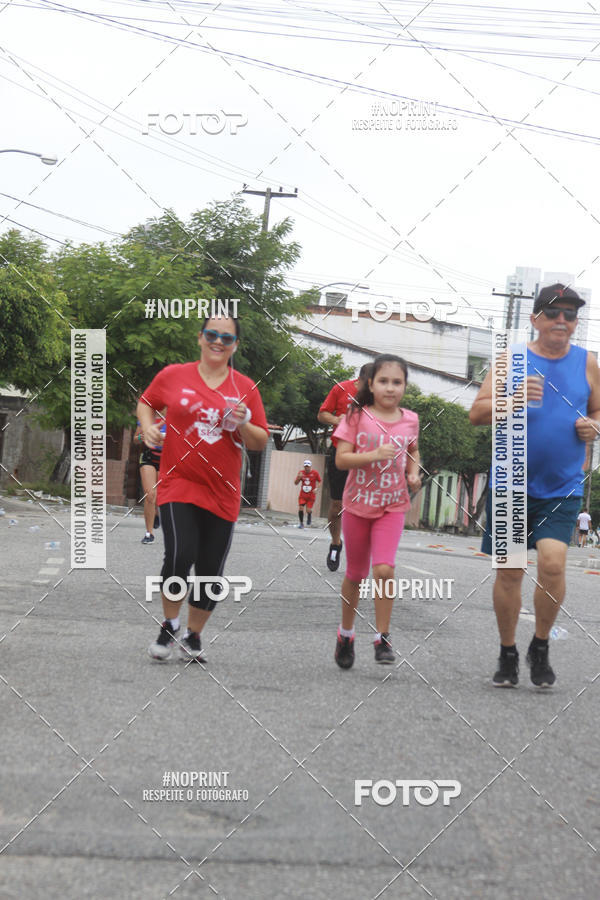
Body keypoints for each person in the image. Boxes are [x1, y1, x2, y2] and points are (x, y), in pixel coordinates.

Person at [470, 284, 600, 688]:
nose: (562, 320)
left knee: (553, 563)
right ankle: (508, 651)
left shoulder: (588, 362)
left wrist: (594, 425)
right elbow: (476, 413)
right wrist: (512, 398)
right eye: (553, 312)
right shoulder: (510, 359)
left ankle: (540, 645)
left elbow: (598, 410)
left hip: (562, 485)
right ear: (535, 319)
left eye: (570, 314)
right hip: (510, 482)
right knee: (510, 572)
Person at [137, 315, 269, 662]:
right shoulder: (173, 375)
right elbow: (147, 402)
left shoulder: (245, 388)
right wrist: (148, 427)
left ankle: (193, 635)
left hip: (222, 491)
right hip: (178, 481)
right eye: (212, 335)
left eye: (226, 338)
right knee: (180, 555)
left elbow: (259, 441)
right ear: (200, 338)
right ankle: (170, 623)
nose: (218, 342)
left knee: (210, 570)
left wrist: (244, 422)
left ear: (235, 346)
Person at [332, 354, 421, 668]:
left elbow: (413, 450)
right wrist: (373, 455)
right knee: (356, 574)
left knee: (384, 569)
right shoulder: (356, 416)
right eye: (384, 381)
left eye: (397, 382)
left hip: (392, 505)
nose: (390, 388)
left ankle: (382, 637)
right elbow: (341, 459)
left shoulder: (410, 419)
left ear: (405, 387)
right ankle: (346, 634)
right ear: (371, 384)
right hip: (357, 504)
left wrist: (413, 472)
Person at [318, 364, 371, 571]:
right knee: (337, 505)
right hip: (340, 452)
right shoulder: (340, 389)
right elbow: (322, 414)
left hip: (366, 456)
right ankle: (335, 543)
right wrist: (336, 419)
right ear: (360, 379)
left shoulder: (379, 397)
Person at [134, 414, 166, 543]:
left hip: (167, 460)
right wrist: (142, 437)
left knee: (160, 495)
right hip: (148, 457)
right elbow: (136, 439)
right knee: (150, 494)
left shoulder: (174, 416)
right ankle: (149, 533)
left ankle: (156, 513)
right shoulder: (147, 416)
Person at [294, 459, 321, 528]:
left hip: (311, 495)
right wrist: (299, 478)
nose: (306, 468)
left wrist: (316, 488)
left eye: (308, 466)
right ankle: (301, 523)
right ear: (304, 467)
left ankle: (309, 515)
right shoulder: (301, 473)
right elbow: (296, 483)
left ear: (310, 466)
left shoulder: (315, 473)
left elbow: (320, 481)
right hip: (303, 495)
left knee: (308, 510)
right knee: (301, 508)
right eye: (305, 466)